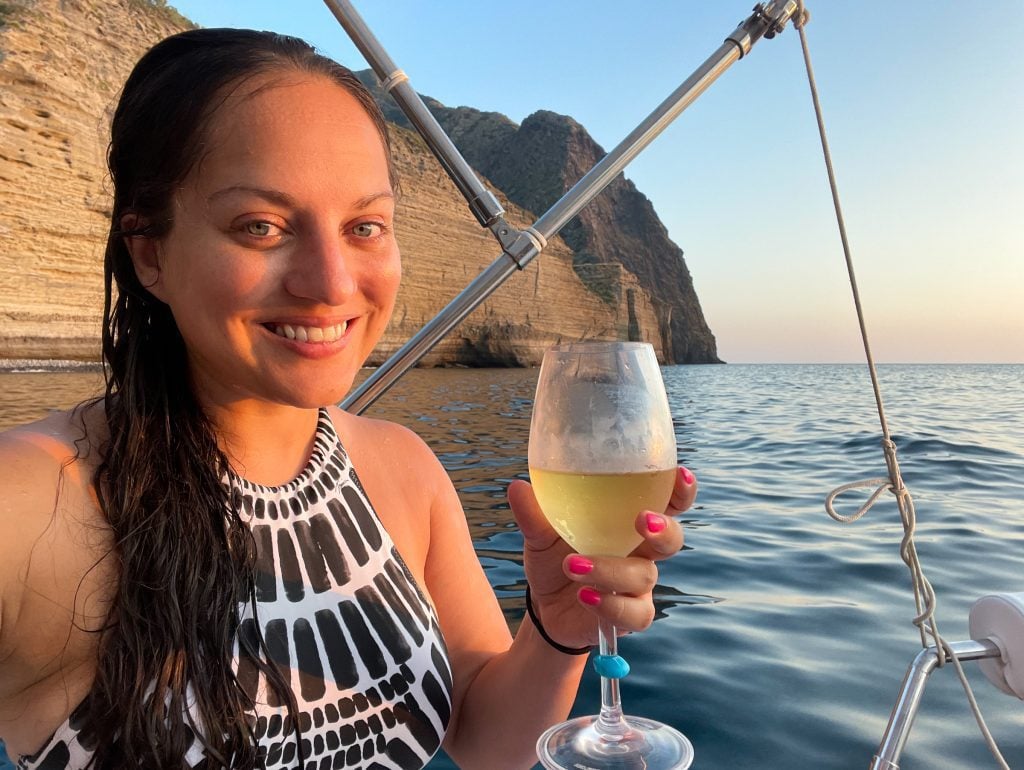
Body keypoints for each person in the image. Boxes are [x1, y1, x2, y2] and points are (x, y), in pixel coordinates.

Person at [0, 28, 697, 770]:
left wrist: (556, 627)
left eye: (364, 226)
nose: (331, 282)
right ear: (149, 251)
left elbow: (490, 744)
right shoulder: (35, 499)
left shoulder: (403, 467)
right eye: (261, 227)